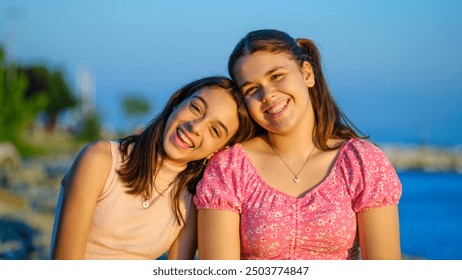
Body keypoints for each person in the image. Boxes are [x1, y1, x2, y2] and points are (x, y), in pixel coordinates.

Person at [194, 29, 402, 260]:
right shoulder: (230, 167)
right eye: (252, 89)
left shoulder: (362, 162)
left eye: (276, 76)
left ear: (307, 74)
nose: (268, 94)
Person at [50, 76, 255, 260]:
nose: (195, 126)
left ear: (218, 151)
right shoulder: (100, 159)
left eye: (215, 130)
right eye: (196, 108)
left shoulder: (191, 199)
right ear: (176, 103)